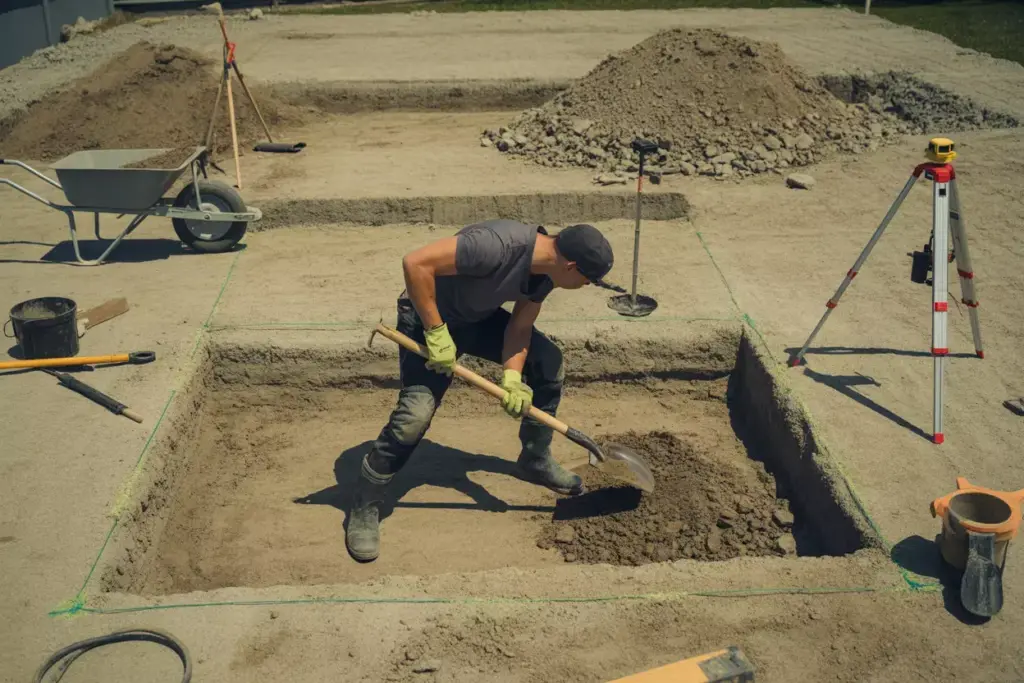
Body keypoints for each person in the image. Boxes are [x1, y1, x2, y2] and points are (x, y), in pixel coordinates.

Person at [346, 218, 615, 562]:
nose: (586, 286)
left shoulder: (546, 272)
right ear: (572, 266)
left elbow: (519, 326)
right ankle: (364, 503)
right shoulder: (494, 246)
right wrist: (436, 330)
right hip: (426, 318)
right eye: (588, 280)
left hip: (475, 319)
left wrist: (513, 378)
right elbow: (415, 262)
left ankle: (535, 459)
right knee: (415, 414)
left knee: (547, 363)